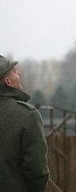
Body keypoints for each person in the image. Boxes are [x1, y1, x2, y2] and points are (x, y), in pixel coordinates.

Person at [0, 55, 50, 191]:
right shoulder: (27, 115)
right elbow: (37, 171)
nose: (19, 73)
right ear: (8, 81)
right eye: (15, 71)